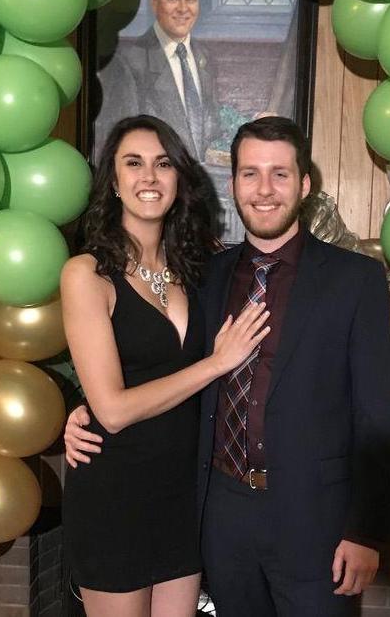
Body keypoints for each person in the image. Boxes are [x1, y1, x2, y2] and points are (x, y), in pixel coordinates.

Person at [67, 117, 390, 616]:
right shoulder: (210, 274)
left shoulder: (355, 280)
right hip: (216, 514)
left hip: (314, 523)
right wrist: (79, 410)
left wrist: (365, 530)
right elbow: (137, 358)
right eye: (250, 174)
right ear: (234, 184)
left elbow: (378, 415)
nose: (264, 190)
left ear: (305, 184)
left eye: (280, 174)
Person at [62, 114, 271, 617]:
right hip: (116, 492)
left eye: (162, 164)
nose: (149, 178)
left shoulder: (199, 270)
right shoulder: (87, 274)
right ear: (113, 182)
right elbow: (110, 410)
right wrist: (216, 363)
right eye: (133, 164)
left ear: (179, 178)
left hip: (185, 492)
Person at [93, 0, 221, 166]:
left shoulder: (203, 56)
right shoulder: (129, 62)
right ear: (154, 2)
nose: (183, 8)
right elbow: (117, 145)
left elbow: (210, 131)